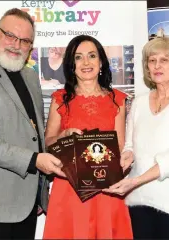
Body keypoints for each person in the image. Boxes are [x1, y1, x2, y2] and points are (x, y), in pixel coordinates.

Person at [0, 8, 66, 239]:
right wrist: (34, 161)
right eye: (10, 35)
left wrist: (62, 141)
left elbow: (34, 134)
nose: (16, 45)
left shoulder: (30, 76)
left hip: (26, 205)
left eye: (25, 40)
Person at [103, 37, 169, 239]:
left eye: (164, 60)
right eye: (152, 60)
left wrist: (136, 181)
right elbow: (130, 145)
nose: (157, 65)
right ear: (146, 66)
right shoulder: (140, 102)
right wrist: (126, 157)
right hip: (138, 202)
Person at [42, 35, 133, 239]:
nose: (86, 62)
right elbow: (48, 143)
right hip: (69, 188)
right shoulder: (60, 99)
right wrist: (64, 135)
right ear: (71, 64)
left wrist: (123, 163)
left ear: (101, 61)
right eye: (78, 57)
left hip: (105, 188)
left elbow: (119, 146)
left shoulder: (117, 100)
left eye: (92, 56)